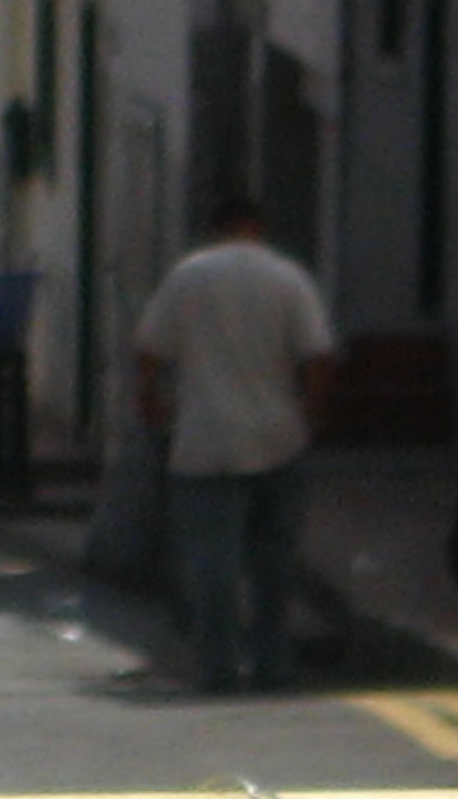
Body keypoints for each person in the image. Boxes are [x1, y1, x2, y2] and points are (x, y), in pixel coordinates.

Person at [133, 195, 336, 692]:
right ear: (259, 227)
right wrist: (311, 414)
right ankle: (272, 664)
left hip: (205, 439)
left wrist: (151, 405)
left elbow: (149, 351)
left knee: (212, 562)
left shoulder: (187, 277)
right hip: (278, 437)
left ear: (215, 228)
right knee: (275, 562)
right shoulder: (288, 277)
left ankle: (218, 666)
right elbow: (318, 355)